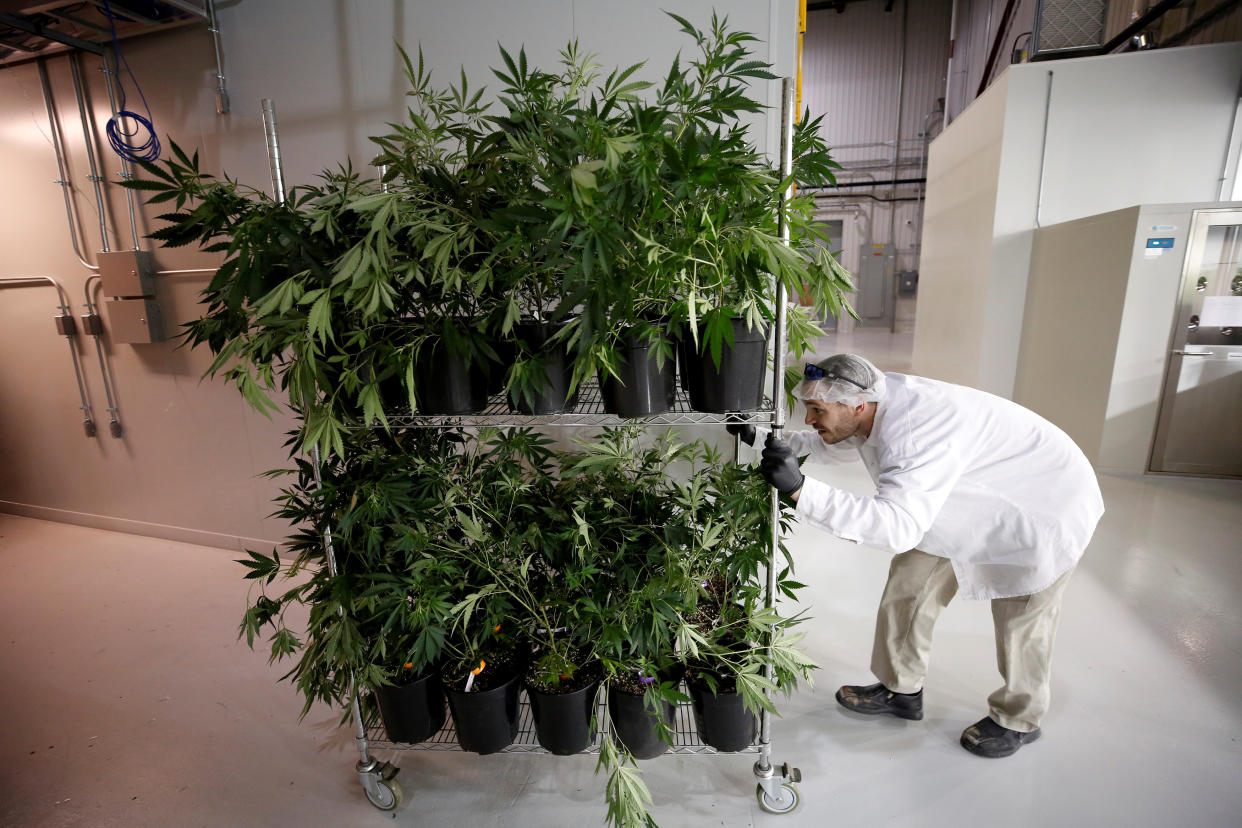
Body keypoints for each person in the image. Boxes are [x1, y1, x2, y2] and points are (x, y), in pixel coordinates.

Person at [727, 353, 1104, 758]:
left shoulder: (916, 431)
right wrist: (765, 438)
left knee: (1023, 620)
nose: (810, 419)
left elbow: (895, 527)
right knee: (909, 587)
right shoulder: (870, 398)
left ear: (857, 406)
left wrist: (801, 490)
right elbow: (839, 439)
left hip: (1044, 506)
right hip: (960, 498)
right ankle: (900, 691)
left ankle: (1018, 718)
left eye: (817, 410)